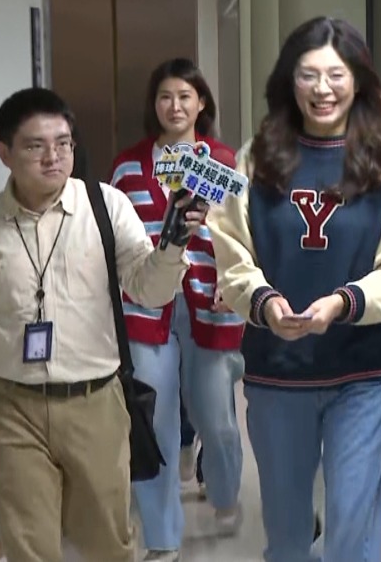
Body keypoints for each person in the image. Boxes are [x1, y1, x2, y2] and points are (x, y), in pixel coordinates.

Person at [0, 88, 208, 562]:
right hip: (11, 407)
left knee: (106, 543)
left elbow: (149, 290)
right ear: (4, 152)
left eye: (63, 143)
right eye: (36, 146)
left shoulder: (106, 206)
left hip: (95, 401)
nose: (53, 156)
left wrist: (172, 245)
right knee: (28, 545)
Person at [206, 16, 381, 562]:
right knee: (287, 534)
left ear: (358, 81)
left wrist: (343, 303)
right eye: (308, 75)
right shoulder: (255, 158)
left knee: (352, 528)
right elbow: (231, 251)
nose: (322, 89)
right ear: (289, 79)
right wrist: (264, 304)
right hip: (278, 370)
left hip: (362, 370)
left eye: (336, 75)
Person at [108, 57, 246, 559]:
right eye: (165, 97)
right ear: (154, 104)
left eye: (185, 96)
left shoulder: (223, 162)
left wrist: (234, 282)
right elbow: (114, 237)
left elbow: (242, 233)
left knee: (217, 418)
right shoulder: (129, 166)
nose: (175, 106)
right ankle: (162, 537)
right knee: (155, 420)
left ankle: (225, 490)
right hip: (146, 306)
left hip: (211, 302)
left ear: (201, 102)